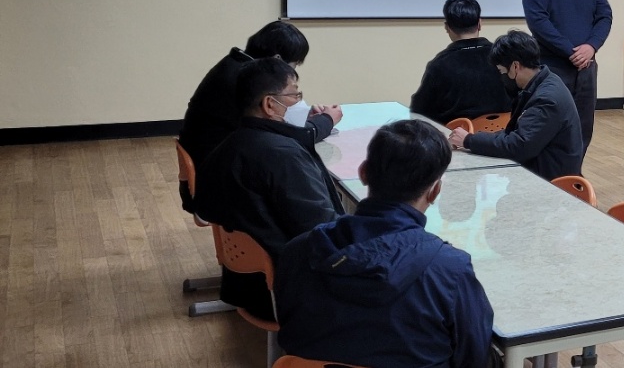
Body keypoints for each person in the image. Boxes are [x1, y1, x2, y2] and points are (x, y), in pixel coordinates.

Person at [275, 120, 495, 368]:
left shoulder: (297, 251)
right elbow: (474, 356)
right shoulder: (451, 270)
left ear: (363, 173)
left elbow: (289, 330)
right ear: (435, 191)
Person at [193, 57, 345, 322]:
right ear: (269, 105)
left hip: (244, 285)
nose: (299, 102)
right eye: (294, 95)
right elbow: (324, 232)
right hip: (289, 291)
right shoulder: (283, 156)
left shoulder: (230, 145)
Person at [176, 20, 340, 212]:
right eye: (294, 65)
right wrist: (326, 120)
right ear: (277, 60)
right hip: (218, 190)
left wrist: (297, 114)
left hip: (211, 175)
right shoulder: (246, 82)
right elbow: (290, 137)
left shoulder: (233, 65)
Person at [522, 0, 612, 152]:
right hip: (553, 67)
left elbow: (604, 16)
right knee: (551, 125)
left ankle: (574, 172)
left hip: (587, 68)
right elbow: (539, 22)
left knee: (583, 127)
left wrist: (591, 46)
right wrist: (571, 51)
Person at [448, 30, 584, 181]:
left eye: (501, 71)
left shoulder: (546, 99)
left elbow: (518, 147)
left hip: (549, 181)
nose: (502, 76)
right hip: (541, 166)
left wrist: (468, 140)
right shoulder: (543, 82)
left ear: (515, 67)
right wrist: (473, 139)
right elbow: (515, 134)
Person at [409, 0, 512, 125]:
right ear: (480, 23)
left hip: (458, 136)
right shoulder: (505, 56)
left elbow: (419, 112)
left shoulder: (439, 65)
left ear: (447, 27)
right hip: (506, 134)